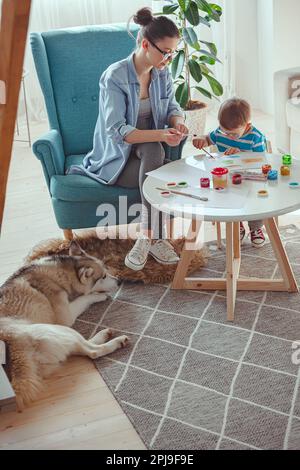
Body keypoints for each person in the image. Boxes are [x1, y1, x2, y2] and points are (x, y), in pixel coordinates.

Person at [68, 7, 188, 270]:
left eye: (173, 52)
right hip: (116, 158)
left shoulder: (162, 73)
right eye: (166, 52)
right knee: (159, 170)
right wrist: (162, 134)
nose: (169, 58)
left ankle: (148, 237)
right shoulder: (115, 77)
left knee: (154, 152)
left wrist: (178, 124)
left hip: (148, 151)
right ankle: (155, 237)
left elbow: (172, 109)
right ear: (146, 44)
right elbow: (118, 131)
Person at [193, 98, 266, 247]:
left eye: (233, 135)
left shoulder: (256, 137)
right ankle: (236, 223)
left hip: (250, 178)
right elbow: (208, 139)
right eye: (224, 132)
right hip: (227, 178)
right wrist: (201, 139)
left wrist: (241, 154)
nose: (227, 136)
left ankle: (256, 228)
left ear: (247, 125)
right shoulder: (220, 132)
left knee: (255, 199)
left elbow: (260, 161)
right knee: (225, 195)